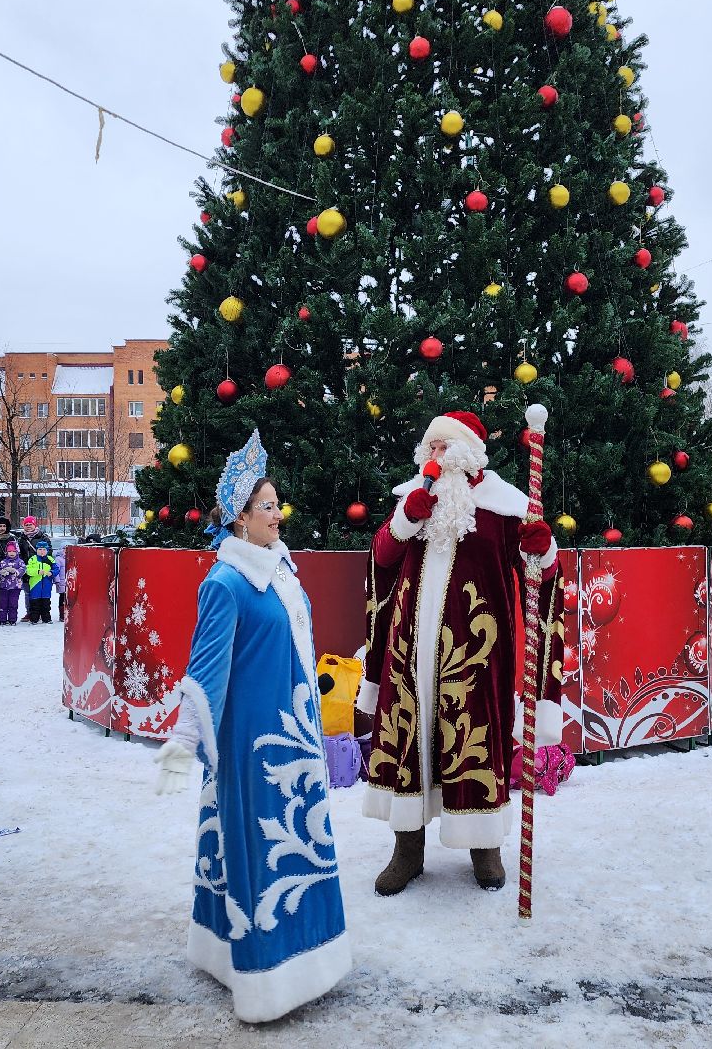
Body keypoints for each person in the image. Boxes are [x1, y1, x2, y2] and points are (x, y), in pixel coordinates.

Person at [152, 430, 350, 1024]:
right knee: (259, 850)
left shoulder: (282, 570)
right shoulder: (226, 582)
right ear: (239, 519)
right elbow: (204, 671)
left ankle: (309, 957)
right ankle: (264, 976)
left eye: (277, 502)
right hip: (253, 748)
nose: (277, 512)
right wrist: (184, 744)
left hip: (296, 736)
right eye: (266, 505)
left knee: (299, 844)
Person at [357, 410, 563, 895]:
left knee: (475, 741)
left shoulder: (505, 506)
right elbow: (382, 558)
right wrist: (407, 518)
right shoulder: (411, 499)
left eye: (445, 447)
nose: (436, 456)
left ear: (468, 452)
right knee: (409, 740)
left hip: (477, 654)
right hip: (408, 651)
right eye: (431, 447)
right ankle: (407, 849)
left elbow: (539, 577)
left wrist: (542, 549)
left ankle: (484, 848)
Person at [25, 540, 56, 624]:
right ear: (36, 550)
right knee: (35, 603)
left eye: (44, 550)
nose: (42, 551)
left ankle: (46, 619)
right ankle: (34, 619)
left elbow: (56, 569)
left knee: (46, 603)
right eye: (40, 549)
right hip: (35, 585)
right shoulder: (32, 559)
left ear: (47, 550)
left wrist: (52, 573)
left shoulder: (50, 559)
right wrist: (37, 571)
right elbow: (28, 570)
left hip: (47, 584)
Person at [0, 541, 26, 625]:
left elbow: (23, 570)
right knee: (3, 603)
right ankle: (2, 619)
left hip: (15, 587)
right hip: (4, 586)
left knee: (13, 603)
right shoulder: (3, 562)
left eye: (13, 551)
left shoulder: (20, 562)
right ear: (6, 552)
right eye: (9, 551)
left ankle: (12, 619)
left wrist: (15, 571)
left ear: (17, 552)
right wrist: (2, 572)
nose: (11, 553)